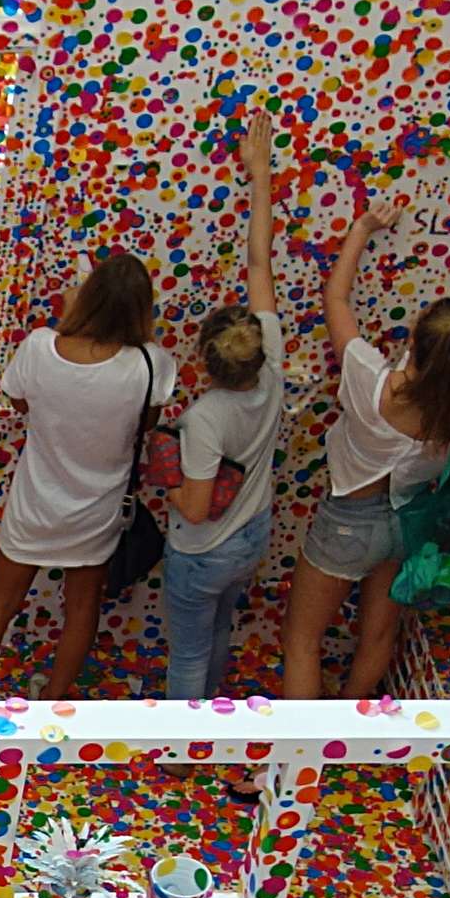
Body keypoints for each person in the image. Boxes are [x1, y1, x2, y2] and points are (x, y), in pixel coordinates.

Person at [0, 250, 175, 762]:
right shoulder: (152, 364)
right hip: (97, 510)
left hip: (33, 504)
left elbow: (17, 400)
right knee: (81, 609)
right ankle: (48, 711)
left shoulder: (40, 348)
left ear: (87, 296)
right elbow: (150, 423)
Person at [280, 205, 450, 699]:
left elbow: (336, 298)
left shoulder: (371, 383)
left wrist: (363, 228)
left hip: (348, 522)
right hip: (406, 522)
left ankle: (301, 758)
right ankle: (346, 730)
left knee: (302, 640)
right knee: (378, 633)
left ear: (412, 342)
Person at [161, 115, 287, 700]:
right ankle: (208, 722)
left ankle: (183, 750)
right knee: (218, 631)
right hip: (252, 536)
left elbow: (194, 506)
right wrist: (261, 175)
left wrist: (159, 473)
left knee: (188, 645)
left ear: (204, 359)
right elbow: (260, 263)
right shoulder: (275, 364)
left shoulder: (206, 417)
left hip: (205, 549)